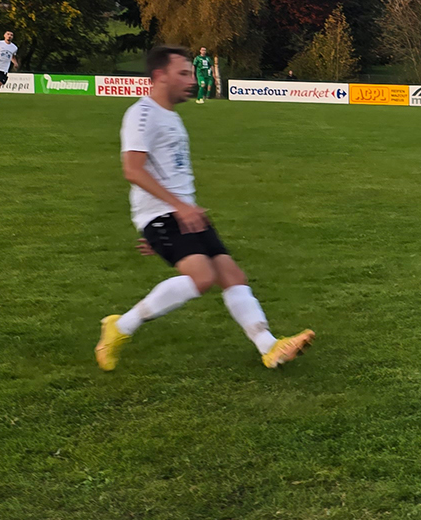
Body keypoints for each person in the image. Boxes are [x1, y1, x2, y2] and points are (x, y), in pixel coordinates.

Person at [96, 45, 313, 372]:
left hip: (184, 213)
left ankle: (270, 347)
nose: (192, 79)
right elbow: (133, 169)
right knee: (201, 278)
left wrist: (183, 211)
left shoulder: (170, 115)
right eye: (182, 73)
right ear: (159, 76)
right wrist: (170, 213)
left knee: (232, 275)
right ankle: (120, 327)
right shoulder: (142, 113)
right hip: (167, 214)